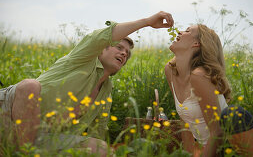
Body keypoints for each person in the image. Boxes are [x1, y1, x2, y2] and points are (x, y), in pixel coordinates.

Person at [0, 11, 174, 156]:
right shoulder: (82, 60)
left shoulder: (106, 92)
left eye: (127, 53)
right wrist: (147, 22)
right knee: (30, 85)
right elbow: (102, 36)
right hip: (9, 114)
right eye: (119, 48)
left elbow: (96, 132)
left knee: (100, 148)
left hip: (44, 137)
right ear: (101, 50)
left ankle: (24, 152)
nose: (124, 54)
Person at [164, 24, 231, 157]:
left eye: (187, 31)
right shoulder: (170, 71)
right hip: (206, 149)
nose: (179, 31)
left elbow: (217, 132)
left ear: (196, 43)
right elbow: (185, 123)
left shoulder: (199, 76)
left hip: (229, 149)